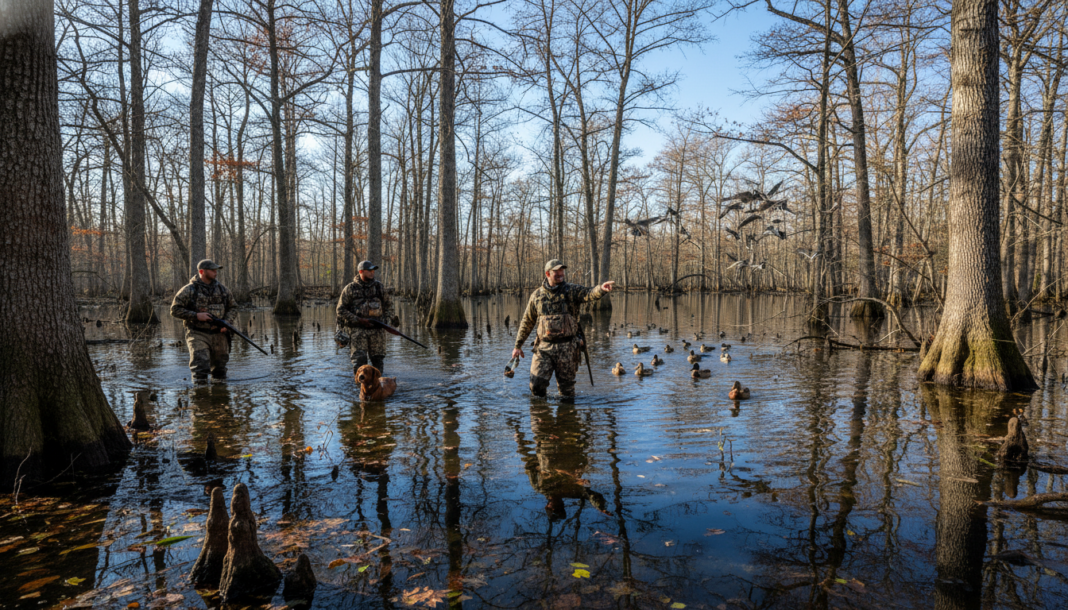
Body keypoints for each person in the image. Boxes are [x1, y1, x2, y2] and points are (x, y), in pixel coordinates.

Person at [511, 259, 614, 397]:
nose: (561, 274)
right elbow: (527, 321)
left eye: (562, 270)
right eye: (557, 271)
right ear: (547, 273)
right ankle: (542, 415)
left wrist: (601, 289)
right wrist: (518, 345)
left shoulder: (571, 290)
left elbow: (588, 293)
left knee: (567, 392)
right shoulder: (536, 296)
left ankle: (567, 416)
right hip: (544, 347)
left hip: (567, 348)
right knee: (536, 386)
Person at [170, 259, 238, 381]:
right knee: (200, 367)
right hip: (197, 333)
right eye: (212, 270)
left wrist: (227, 322)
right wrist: (196, 316)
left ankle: (220, 396)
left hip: (219, 334)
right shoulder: (189, 290)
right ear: (202, 271)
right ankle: (200, 396)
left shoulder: (223, 290)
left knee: (220, 370)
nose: (215, 272)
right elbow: (174, 310)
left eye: (215, 270)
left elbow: (233, 308)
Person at [337, 260, 394, 377]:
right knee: (359, 363)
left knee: (378, 361)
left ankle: (378, 390)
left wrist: (385, 321)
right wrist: (358, 320)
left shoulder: (379, 287)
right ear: (361, 272)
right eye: (369, 270)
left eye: (373, 270)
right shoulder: (350, 289)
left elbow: (389, 306)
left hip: (377, 331)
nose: (372, 273)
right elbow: (340, 310)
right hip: (358, 332)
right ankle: (360, 391)